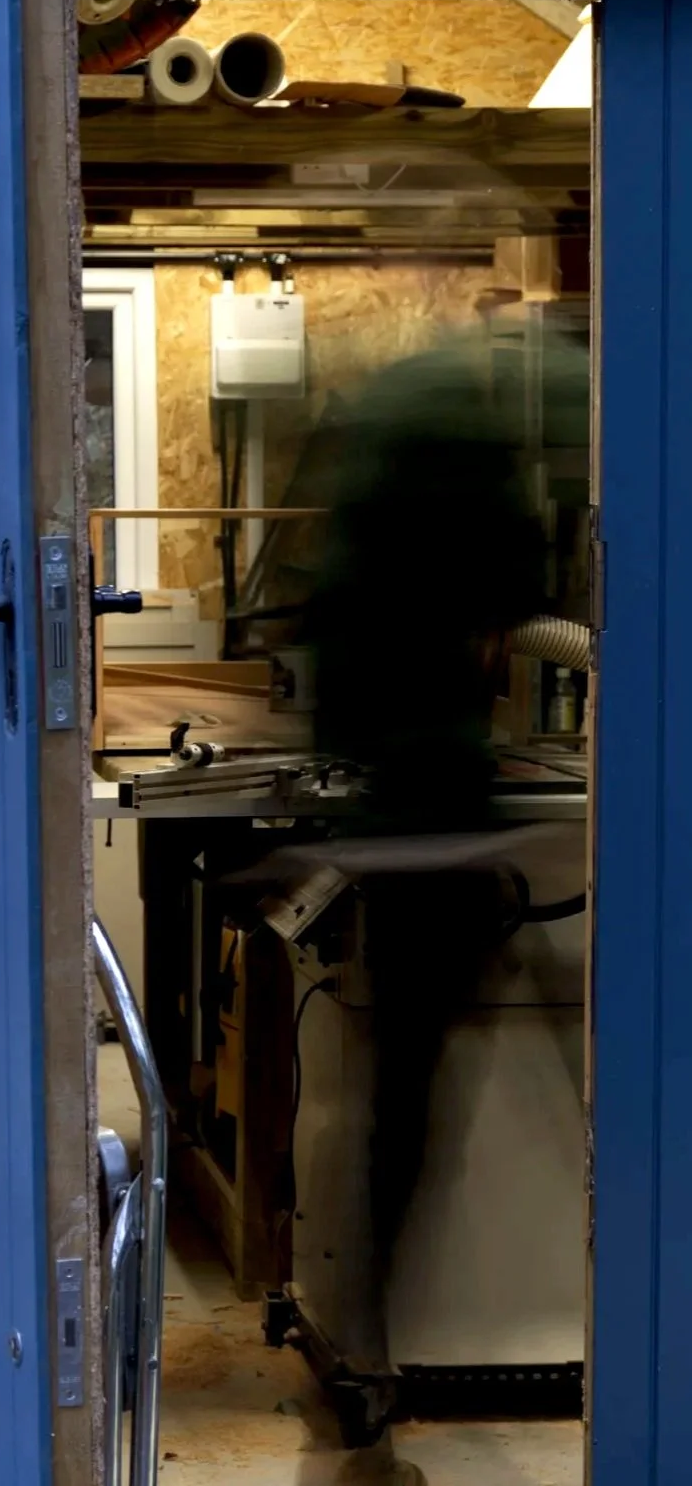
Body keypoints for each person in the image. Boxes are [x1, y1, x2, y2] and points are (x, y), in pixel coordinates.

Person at [292, 324, 589, 1484]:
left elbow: (336, 623)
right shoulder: (465, 442)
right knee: (442, 1118)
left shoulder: (378, 437)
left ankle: (372, 1360)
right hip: (445, 818)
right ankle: (380, 1360)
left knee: (397, 1118)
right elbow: (519, 588)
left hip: (392, 818)